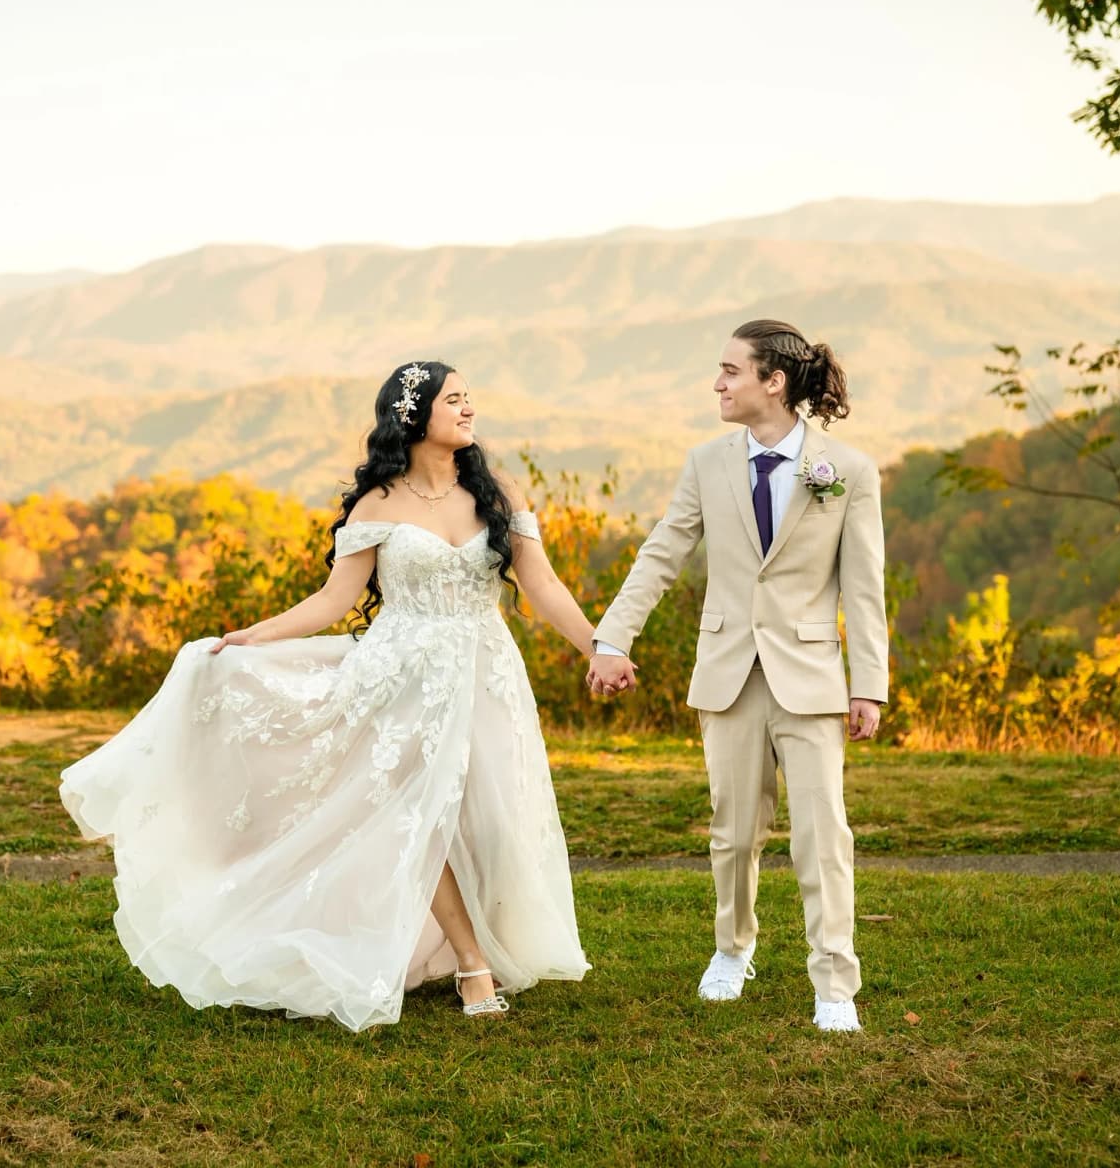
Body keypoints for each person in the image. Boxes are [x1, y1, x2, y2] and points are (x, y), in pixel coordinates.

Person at [60, 361, 594, 1031]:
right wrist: (255, 635)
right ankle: (469, 961)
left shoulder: (497, 492)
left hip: (486, 673)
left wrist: (597, 649)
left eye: (469, 399)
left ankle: (463, 941)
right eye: (453, 400)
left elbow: (542, 587)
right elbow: (336, 599)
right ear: (413, 415)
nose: (468, 409)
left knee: (485, 818)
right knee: (418, 812)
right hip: (400, 677)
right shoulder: (378, 505)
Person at [588, 319, 887, 1033]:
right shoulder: (705, 464)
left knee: (824, 835)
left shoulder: (847, 469)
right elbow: (661, 555)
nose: (717, 383)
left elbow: (864, 585)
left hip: (811, 677)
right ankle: (732, 949)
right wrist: (611, 638)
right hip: (727, 674)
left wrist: (868, 683)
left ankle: (834, 983)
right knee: (732, 832)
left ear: (772, 381)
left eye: (729, 370)